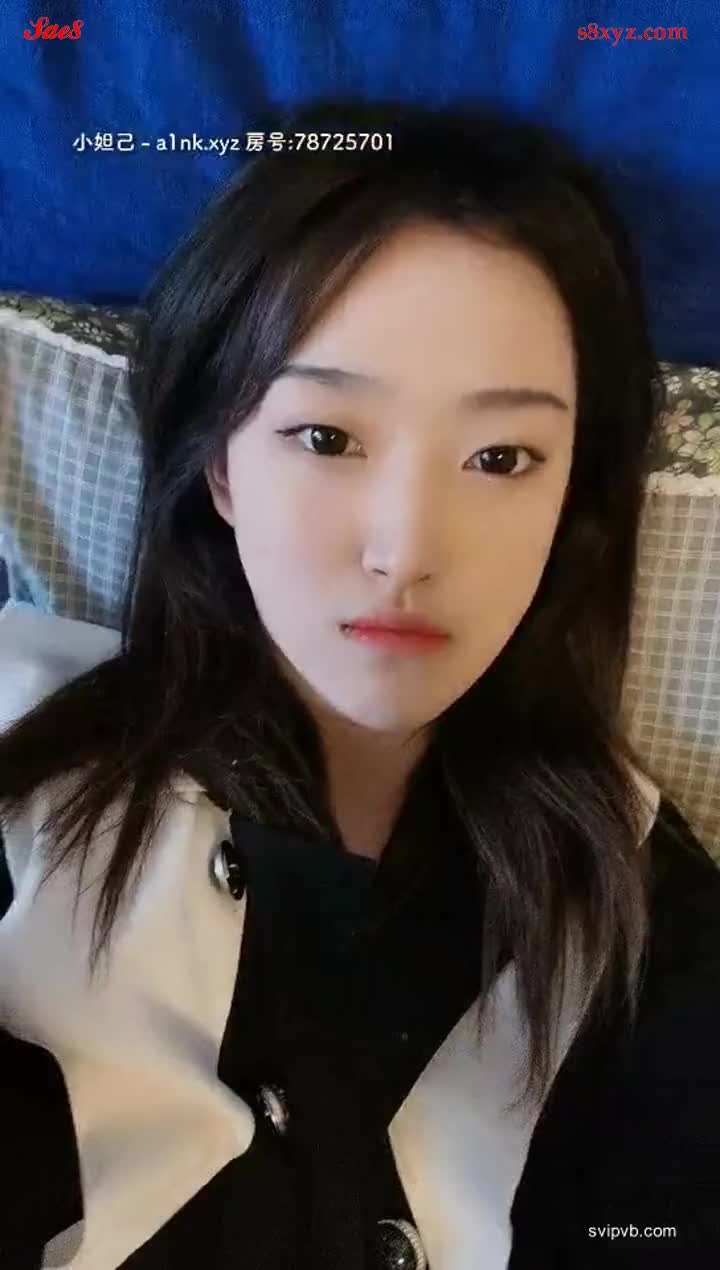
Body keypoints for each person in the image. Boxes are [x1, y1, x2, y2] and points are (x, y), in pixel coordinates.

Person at [0, 96, 719, 1270]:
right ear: (219, 466)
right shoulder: (23, 754)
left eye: (501, 457)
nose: (405, 548)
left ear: (573, 500)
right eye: (327, 438)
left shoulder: (646, 923)